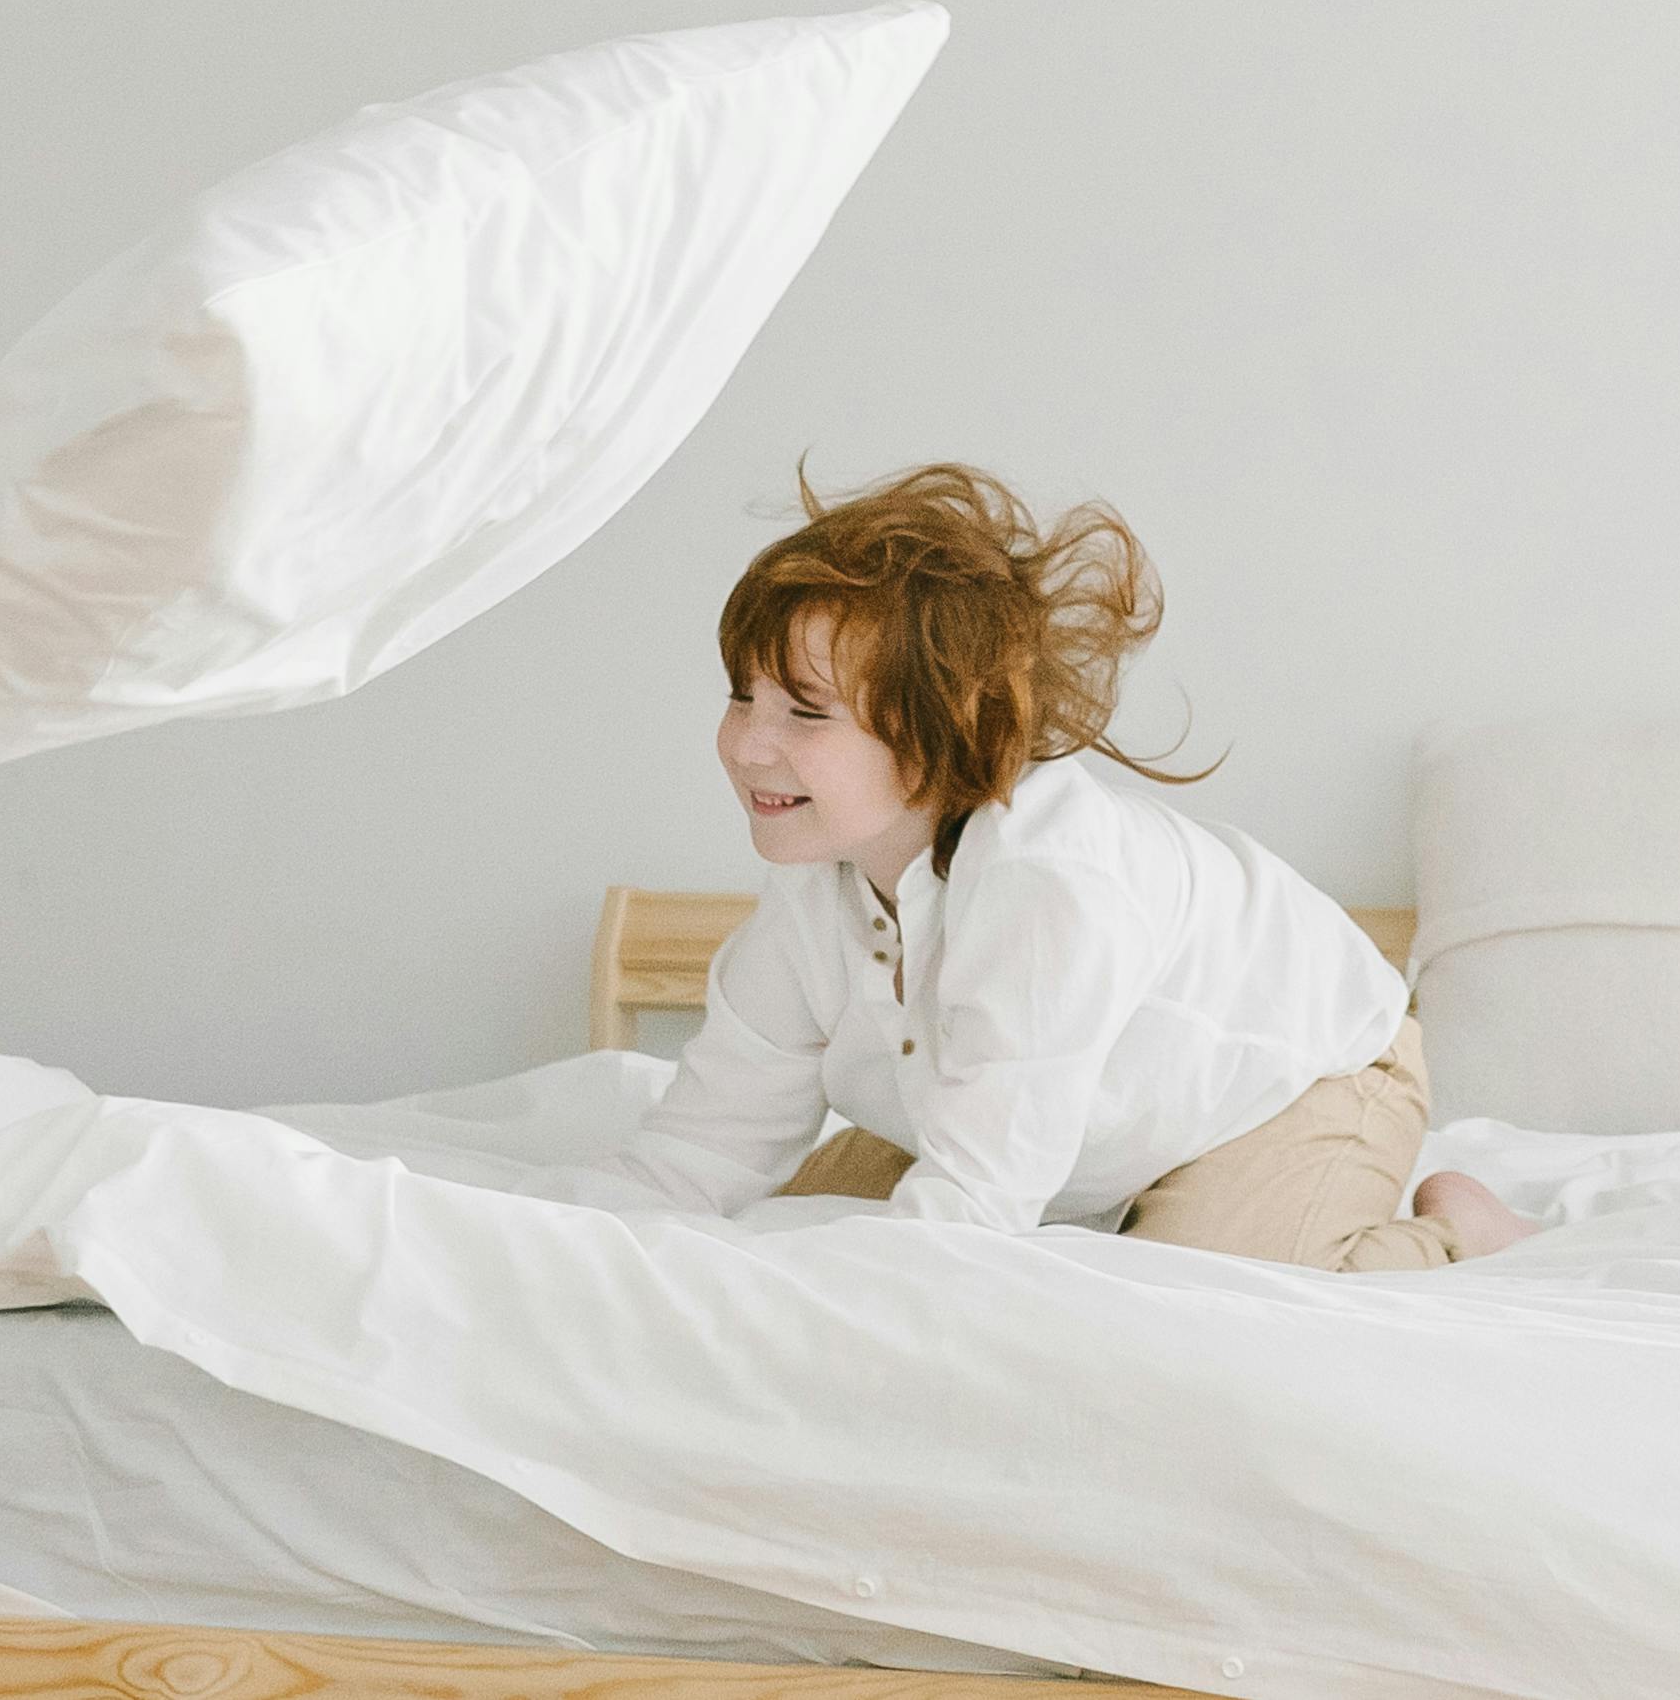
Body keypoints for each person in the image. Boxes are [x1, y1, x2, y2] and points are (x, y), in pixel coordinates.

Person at [588, 462, 1527, 1268]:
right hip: (1078, 1122)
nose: (747, 745)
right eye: (740, 696)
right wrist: (556, 1245)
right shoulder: (815, 886)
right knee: (791, 1222)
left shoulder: (1048, 886)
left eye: (804, 713)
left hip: (1298, 1081)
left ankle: (1461, 1233)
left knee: (1190, 1312)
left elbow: (971, 1212)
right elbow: (705, 1149)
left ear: (944, 728)